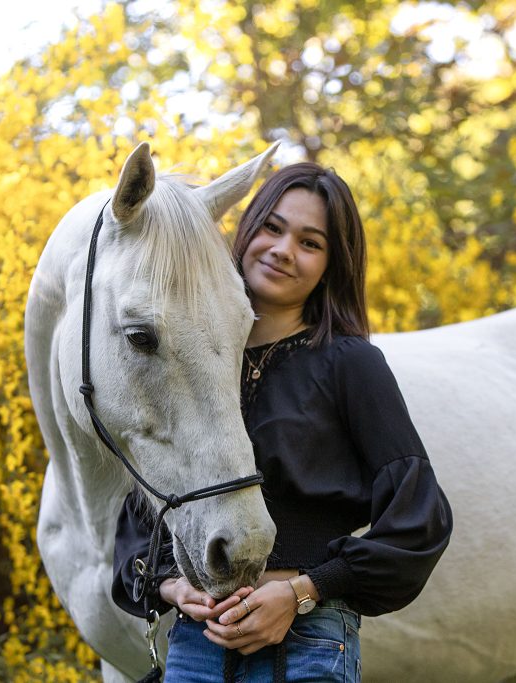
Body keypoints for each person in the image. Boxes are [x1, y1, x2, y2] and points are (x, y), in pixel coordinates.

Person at [112, 162, 453, 682]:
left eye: (310, 242)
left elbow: (419, 520)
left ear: (331, 265)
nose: (283, 250)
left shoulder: (351, 364)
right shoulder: (190, 355)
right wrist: (173, 586)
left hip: (309, 641)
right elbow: (143, 514)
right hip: (197, 643)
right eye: (272, 227)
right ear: (248, 231)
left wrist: (302, 593)